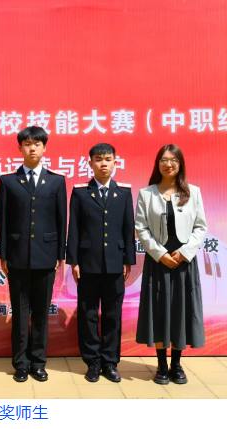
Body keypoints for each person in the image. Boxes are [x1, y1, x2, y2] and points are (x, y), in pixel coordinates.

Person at [0, 126, 67, 383]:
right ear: (20, 148)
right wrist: (4, 255)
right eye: (27, 144)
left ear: (44, 148)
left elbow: (61, 220)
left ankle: (38, 362)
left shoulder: (56, 181)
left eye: (37, 144)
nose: (32, 148)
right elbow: (3, 221)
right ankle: (20, 363)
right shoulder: (8, 181)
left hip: (46, 256)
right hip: (17, 257)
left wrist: (60, 255)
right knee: (19, 312)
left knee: (40, 313)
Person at [135, 144, 207, 384]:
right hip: (158, 262)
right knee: (158, 312)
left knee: (180, 311)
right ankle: (161, 365)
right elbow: (141, 228)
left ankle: (176, 364)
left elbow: (200, 227)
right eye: (164, 160)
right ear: (158, 164)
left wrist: (184, 253)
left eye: (173, 160)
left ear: (180, 164)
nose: (169, 164)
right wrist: (160, 253)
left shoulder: (193, 192)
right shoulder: (146, 194)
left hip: (184, 263)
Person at [67, 143, 136, 383]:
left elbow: (128, 228)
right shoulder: (80, 193)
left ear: (115, 163)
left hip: (115, 263)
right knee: (88, 314)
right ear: (90, 163)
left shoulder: (123, 193)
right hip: (88, 263)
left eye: (108, 159)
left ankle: (110, 362)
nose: (103, 164)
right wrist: (73, 260)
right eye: (98, 159)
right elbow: (74, 229)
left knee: (112, 314)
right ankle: (93, 362)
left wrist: (128, 260)